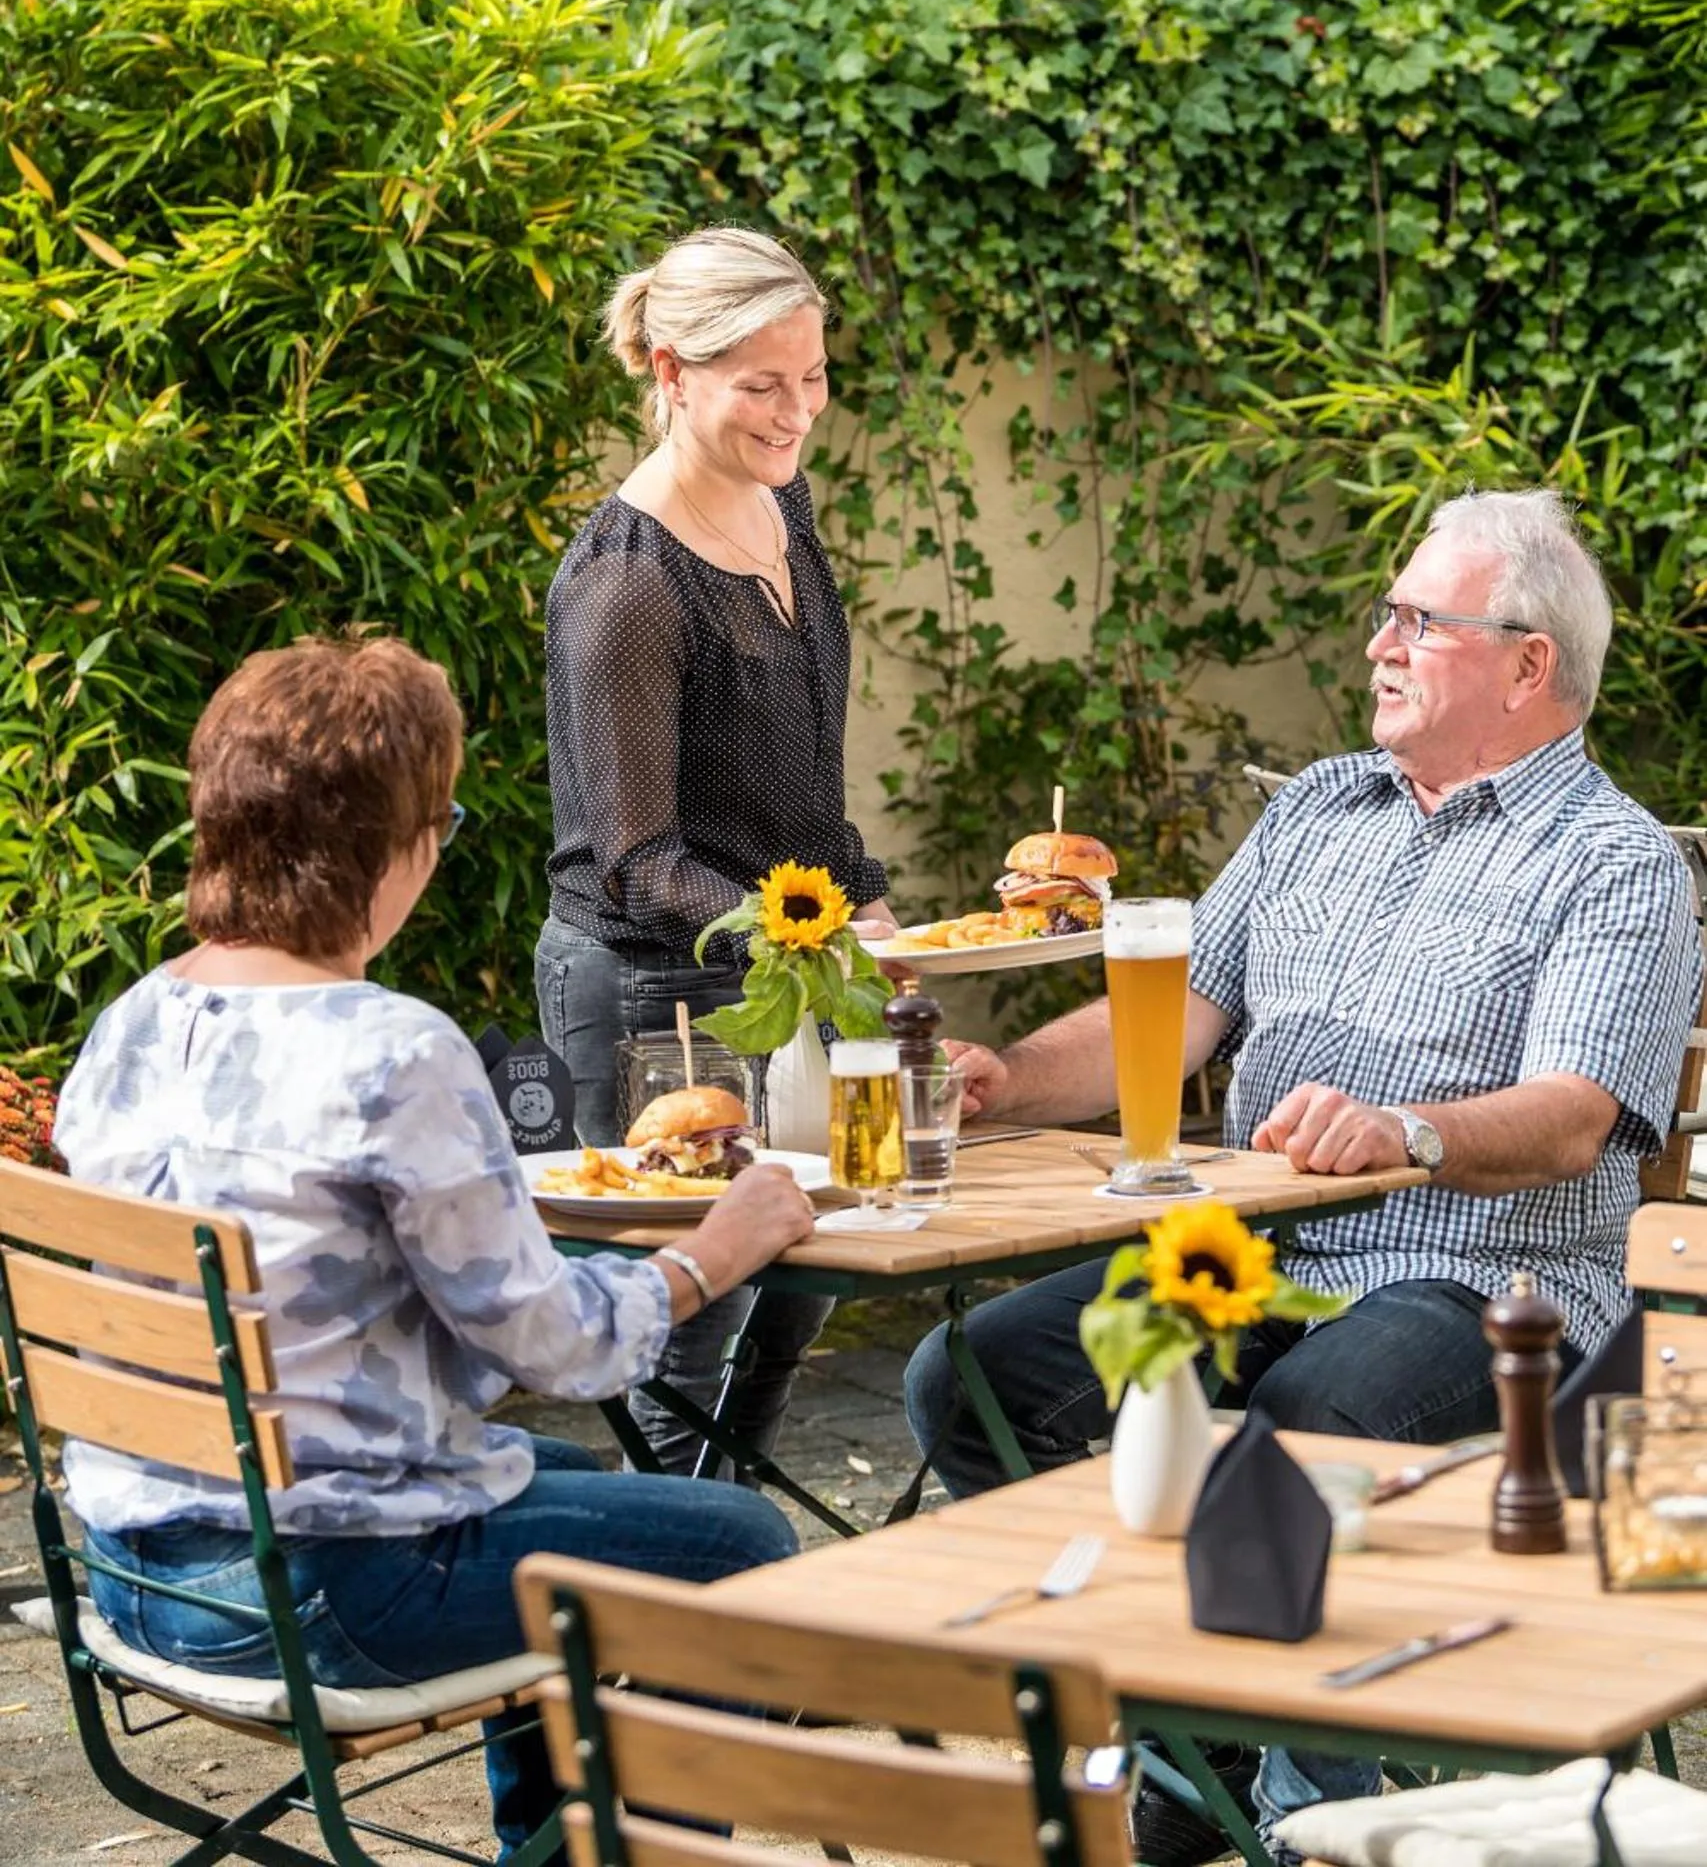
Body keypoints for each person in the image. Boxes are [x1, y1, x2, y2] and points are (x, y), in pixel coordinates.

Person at [904, 488, 1702, 1865]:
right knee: (970, 1384)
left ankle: (1303, 1817)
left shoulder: (1613, 865)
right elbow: (1174, 1015)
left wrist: (1408, 1129)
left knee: (1302, 1416)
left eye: (1416, 620)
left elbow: (1578, 1116)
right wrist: (1004, 1081)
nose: (1379, 643)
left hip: (1482, 1281)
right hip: (1254, 1252)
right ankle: (1190, 1747)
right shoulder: (1323, 804)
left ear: (1526, 666)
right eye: (1384, 615)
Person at [55, 634, 815, 1867]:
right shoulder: (390, 1050)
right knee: (733, 1549)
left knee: (544, 1483)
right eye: (442, 821)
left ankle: (558, 1838)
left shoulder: (133, 1022)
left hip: (143, 1567)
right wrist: (709, 1255)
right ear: (392, 845)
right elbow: (560, 1349)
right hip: (322, 1585)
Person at [534, 225, 895, 1475]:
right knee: (697, 1330)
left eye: (812, 378)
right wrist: (815, 933)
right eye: (762, 385)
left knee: (808, 1284)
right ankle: (680, 1605)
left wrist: (871, 906)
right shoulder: (626, 586)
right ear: (669, 368)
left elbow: (796, 786)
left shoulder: (782, 504)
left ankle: (743, 1577)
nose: (797, 414)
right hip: (650, 985)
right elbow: (636, 857)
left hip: (788, 960)